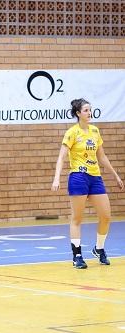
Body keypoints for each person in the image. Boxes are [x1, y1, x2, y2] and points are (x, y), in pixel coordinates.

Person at [51, 99, 124, 269]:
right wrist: (56, 178)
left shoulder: (95, 131)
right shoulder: (72, 133)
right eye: (85, 110)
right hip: (78, 176)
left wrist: (115, 175)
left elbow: (102, 157)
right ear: (78, 113)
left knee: (106, 216)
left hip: (95, 177)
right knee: (77, 218)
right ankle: (77, 256)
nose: (89, 113)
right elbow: (61, 157)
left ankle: (99, 248)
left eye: (90, 110)